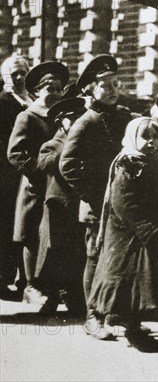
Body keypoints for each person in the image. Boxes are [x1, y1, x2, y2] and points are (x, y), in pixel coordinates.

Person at [89, 118, 158, 348]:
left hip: (148, 230)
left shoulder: (154, 163)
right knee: (127, 280)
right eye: (145, 137)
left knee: (141, 283)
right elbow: (124, 203)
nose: (151, 142)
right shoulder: (128, 166)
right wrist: (145, 228)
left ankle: (133, 323)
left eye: (155, 137)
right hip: (127, 233)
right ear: (132, 139)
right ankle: (124, 324)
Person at [59, 55, 133, 337]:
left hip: (123, 203)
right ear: (90, 89)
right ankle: (93, 316)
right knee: (95, 256)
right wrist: (91, 194)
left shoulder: (125, 117)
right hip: (96, 205)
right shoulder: (86, 121)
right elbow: (67, 165)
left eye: (115, 83)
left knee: (120, 257)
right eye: (105, 85)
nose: (112, 89)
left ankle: (115, 314)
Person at [7, 61, 69, 304]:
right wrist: (37, 172)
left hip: (60, 186)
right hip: (36, 185)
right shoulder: (28, 116)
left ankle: (53, 287)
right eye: (48, 88)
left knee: (53, 235)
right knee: (31, 234)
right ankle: (31, 285)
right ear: (38, 91)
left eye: (58, 88)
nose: (53, 92)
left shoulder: (64, 117)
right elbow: (15, 153)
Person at [35, 96, 87, 315]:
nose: (76, 122)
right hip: (59, 208)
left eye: (78, 118)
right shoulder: (53, 144)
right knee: (54, 253)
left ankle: (74, 297)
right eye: (71, 119)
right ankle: (52, 298)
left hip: (78, 205)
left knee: (77, 254)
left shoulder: (86, 140)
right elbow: (44, 164)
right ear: (61, 122)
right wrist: (68, 149)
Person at [0, 55, 31, 297]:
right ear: (4, 78)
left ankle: (26, 280)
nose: (20, 77)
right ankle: (4, 279)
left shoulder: (33, 101)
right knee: (6, 226)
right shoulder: (2, 102)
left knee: (26, 227)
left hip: (29, 175)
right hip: (6, 176)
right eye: (14, 74)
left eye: (23, 72)